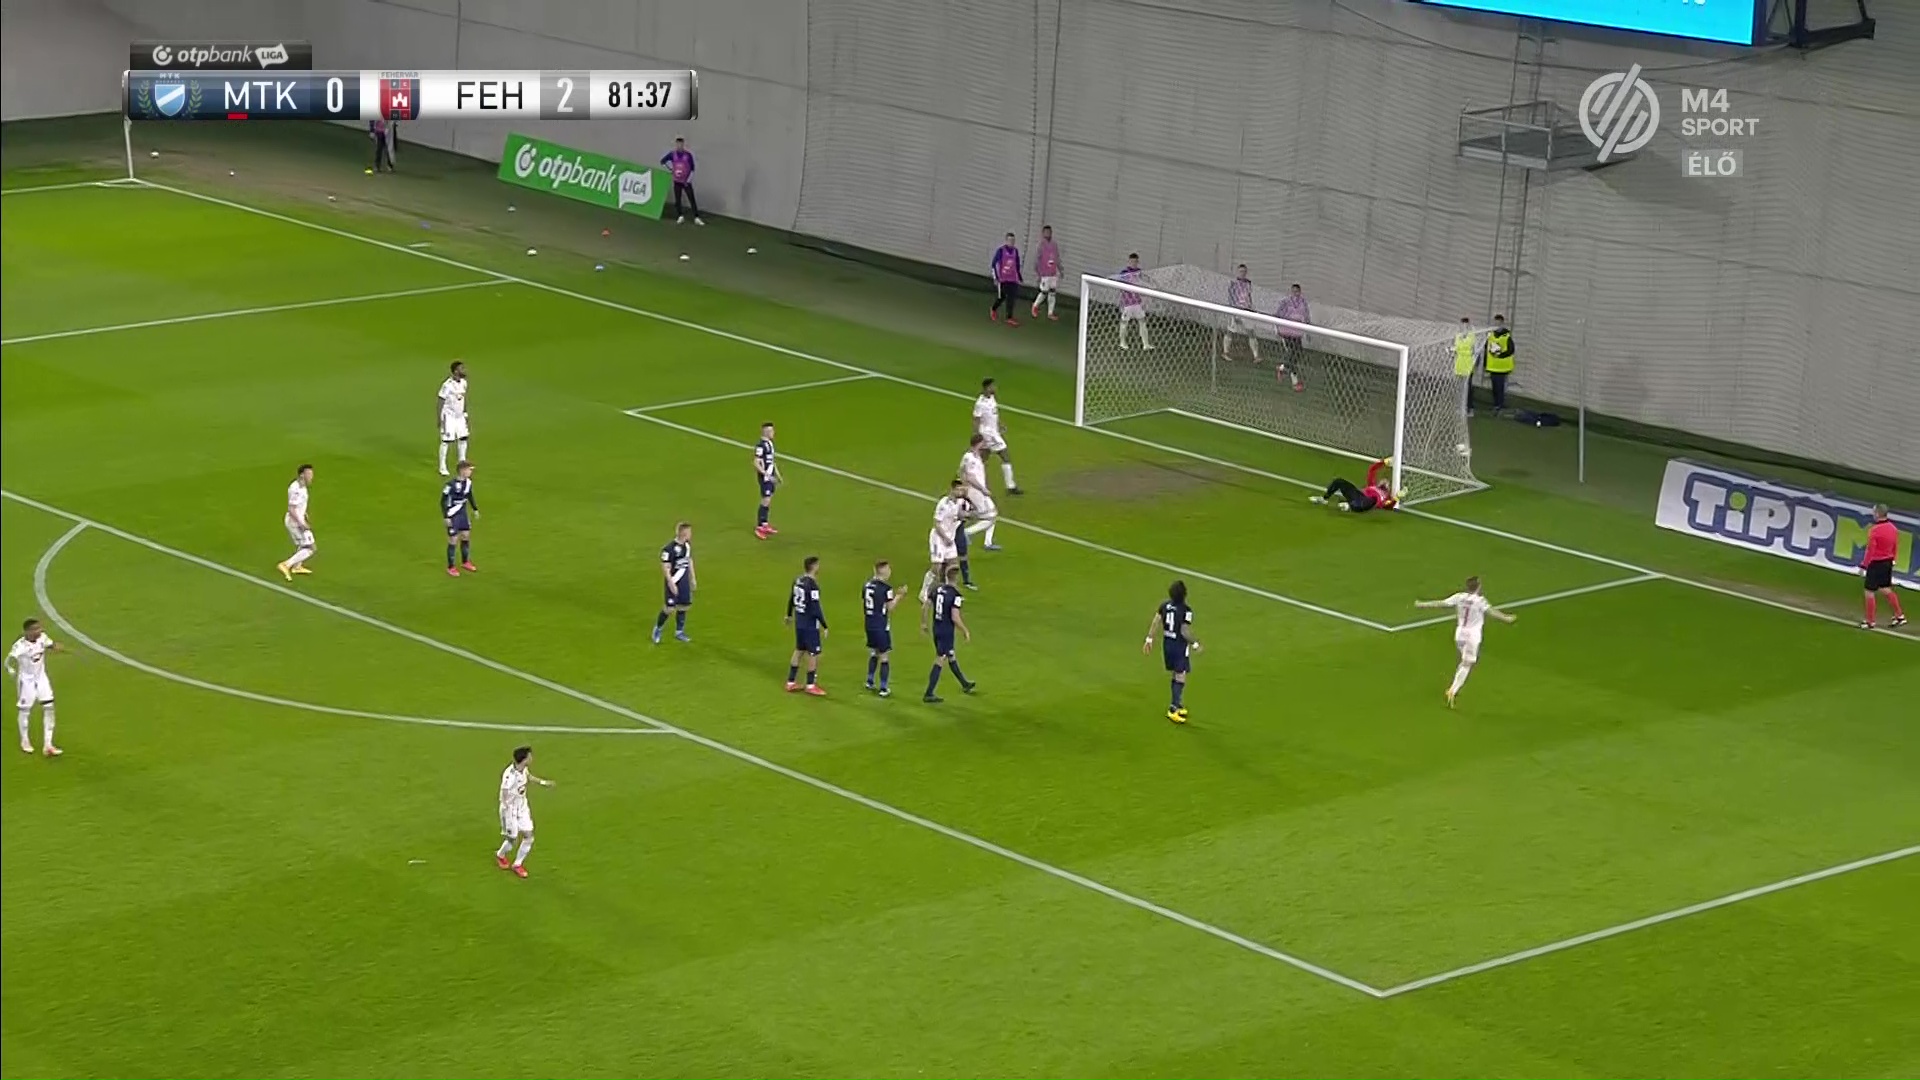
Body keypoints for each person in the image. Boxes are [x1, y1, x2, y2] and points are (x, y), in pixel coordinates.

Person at [1414, 576, 1516, 707]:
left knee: (1464, 662)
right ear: (1478, 587)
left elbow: (1441, 603)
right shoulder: (1480, 601)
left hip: (1459, 634)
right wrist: (1506, 618)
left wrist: (1422, 604)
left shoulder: (1459, 597)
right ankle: (1452, 691)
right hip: (1472, 636)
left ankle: (1454, 686)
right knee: (1467, 664)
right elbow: (1491, 612)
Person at [1143, 580, 1201, 725]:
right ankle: (1173, 708)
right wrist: (1195, 644)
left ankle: (1178, 704)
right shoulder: (1186, 610)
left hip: (1167, 645)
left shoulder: (1164, 606)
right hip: (1179, 646)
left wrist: (1149, 639)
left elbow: (1156, 621)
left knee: (1176, 673)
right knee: (1181, 675)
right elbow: (1184, 631)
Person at [495, 745, 553, 879]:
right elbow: (504, 792)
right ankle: (500, 855)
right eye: (529, 756)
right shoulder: (509, 776)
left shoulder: (523, 769)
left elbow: (529, 777)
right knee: (512, 839)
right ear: (524, 759)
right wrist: (506, 809)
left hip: (522, 807)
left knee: (529, 836)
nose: (532, 758)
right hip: (509, 810)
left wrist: (544, 783)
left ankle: (517, 864)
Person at [7, 618, 62, 757]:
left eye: (39, 628)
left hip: (41, 678)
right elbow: (9, 660)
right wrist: (11, 669)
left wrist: (55, 646)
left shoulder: (42, 637)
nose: (40, 630)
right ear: (28, 631)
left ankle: (48, 745)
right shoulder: (20, 646)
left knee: (49, 707)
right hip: (26, 681)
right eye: (36, 629)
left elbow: (49, 644)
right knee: (25, 711)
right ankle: (25, 741)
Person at [923, 565, 975, 703]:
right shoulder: (955, 595)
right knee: (941, 658)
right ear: (956, 578)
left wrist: (924, 623)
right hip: (946, 631)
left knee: (950, 655)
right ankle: (929, 693)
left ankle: (964, 683)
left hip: (937, 628)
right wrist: (965, 630)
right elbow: (955, 617)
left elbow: (926, 605)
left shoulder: (936, 589)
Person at [785, 555, 828, 695]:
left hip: (799, 622)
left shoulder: (797, 581)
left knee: (799, 650)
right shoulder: (812, 585)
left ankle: (790, 682)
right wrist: (824, 624)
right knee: (813, 653)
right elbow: (815, 607)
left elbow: (791, 598)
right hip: (810, 624)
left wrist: (789, 615)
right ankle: (810, 685)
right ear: (814, 567)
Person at [1861, 504, 1908, 630]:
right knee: (1885, 589)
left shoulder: (1875, 530)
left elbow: (1871, 550)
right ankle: (1899, 616)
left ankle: (1870, 621)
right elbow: (1895, 545)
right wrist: (1894, 559)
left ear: (1877, 514)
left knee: (1869, 592)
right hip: (1887, 562)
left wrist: (1864, 565)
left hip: (1876, 563)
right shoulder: (1893, 528)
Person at [863, 560, 906, 696]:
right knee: (884, 655)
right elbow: (890, 607)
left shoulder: (867, 585)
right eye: (888, 569)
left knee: (874, 652)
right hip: (880, 625)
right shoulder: (886, 588)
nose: (889, 572)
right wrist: (899, 596)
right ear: (882, 571)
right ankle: (883, 688)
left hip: (869, 624)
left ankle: (870, 680)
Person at [972, 377, 1021, 495]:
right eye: (992, 386)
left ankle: (975, 483)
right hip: (988, 435)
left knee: (982, 460)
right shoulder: (980, 403)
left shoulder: (992, 398)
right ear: (987, 388)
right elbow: (976, 419)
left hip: (993, 433)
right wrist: (977, 435)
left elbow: (993, 414)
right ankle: (1010, 486)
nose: (995, 388)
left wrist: (999, 424)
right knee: (1005, 456)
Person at [924, 479, 969, 607]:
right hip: (939, 538)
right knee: (936, 567)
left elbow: (960, 515)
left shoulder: (960, 502)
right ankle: (924, 592)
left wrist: (968, 515)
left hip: (950, 539)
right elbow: (936, 523)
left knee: (953, 566)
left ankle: (951, 593)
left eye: (962, 489)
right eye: (958, 490)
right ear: (952, 490)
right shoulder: (943, 503)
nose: (961, 492)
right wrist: (945, 538)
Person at [654, 522, 696, 644]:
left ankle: (679, 632)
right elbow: (665, 567)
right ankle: (658, 629)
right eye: (689, 532)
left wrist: (692, 578)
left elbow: (689, 561)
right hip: (673, 581)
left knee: (684, 606)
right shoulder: (669, 549)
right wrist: (671, 583)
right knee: (669, 609)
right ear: (684, 533)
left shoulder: (687, 546)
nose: (691, 534)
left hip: (684, 582)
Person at [960, 434, 1002, 553]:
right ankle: (966, 533)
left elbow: (961, 472)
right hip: (975, 491)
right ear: (978, 443)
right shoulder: (969, 458)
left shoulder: (975, 456)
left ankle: (988, 543)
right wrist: (982, 489)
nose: (984, 445)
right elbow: (969, 476)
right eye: (983, 443)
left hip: (978, 490)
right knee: (988, 517)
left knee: (993, 513)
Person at [1309, 457, 1399, 513]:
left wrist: (1396, 498)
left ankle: (1349, 506)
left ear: (1389, 488)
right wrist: (1383, 462)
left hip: (1367, 503)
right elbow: (1372, 470)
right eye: (1384, 480)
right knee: (1339, 481)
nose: (1385, 481)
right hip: (1358, 495)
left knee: (1372, 500)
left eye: (1387, 483)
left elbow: (1389, 506)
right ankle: (1324, 499)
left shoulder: (1385, 497)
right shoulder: (1372, 485)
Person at [277, 464, 317, 581]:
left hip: (298, 520)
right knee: (311, 548)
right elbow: (291, 509)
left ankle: (297, 567)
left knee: (303, 544)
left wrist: (304, 513)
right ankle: (286, 565)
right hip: (295, 523)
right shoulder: (296, 489)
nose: (311, 477)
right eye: (309, 474)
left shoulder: (302, 486)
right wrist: (301, 523)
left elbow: (298, 505)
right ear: (302, 475)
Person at [441, 460, 480, 576]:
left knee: (465, 535)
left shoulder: (468, 483)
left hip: (462, 513)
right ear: (462, 471)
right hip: (452, 514)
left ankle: (465, 561)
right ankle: (451, 567)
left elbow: (470, 495)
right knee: (453, 539)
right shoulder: (450, 485)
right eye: (469, 470)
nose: (470, 472)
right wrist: (446, 516)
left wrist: (475, 509)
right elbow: (443, 501)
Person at [1222, 264, 1265, 366]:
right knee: (1230, 331)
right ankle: (1225, 352)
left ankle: (1256, 356)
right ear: (1238, 272)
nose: (1243, 273)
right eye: (1241, 271)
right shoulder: (1234, 283)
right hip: (1236, 310)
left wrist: (1251, 308)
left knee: (1251, 332)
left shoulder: (1248, 284)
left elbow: (1249, 297)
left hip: (1246, 310)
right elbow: (1231, 298)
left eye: (1244, 272)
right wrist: (1234, 311)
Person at [1273, 283, 1308, 391]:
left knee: (1296, 354)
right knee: (1292, 352)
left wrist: (1307, 329)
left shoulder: (1303, 302)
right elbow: (1278, 313)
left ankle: (1282, 367)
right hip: (1287, 331)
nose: (1295, 293)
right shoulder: (1286, 302)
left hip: (1297, 332)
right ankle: (1295, 382)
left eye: (1297, 291)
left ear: (1300, 292)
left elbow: (1306, 315)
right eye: (1293, 291)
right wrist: (1277, 327)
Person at [437, 360, 470, 476]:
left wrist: (465, 413)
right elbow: (440, 401)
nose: (464, 370)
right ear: (455, 371)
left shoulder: (464, 383)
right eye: (462, 369)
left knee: (463, 438)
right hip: (449, 416)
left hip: (460, 416)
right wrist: (439, 418)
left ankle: (462, 462)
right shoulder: (447, 385)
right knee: (446, 441)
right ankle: (442, 466)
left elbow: (463, 399)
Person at [660, 137, 703, 225]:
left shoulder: (688, 155)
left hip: (686, 182)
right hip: (677, 181)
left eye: (681, 144)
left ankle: (696, 217)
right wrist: (670, 169)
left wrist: (688, 180)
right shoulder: (672, 154)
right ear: (676, 144)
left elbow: (692, 169)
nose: (679, 146)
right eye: (678, 144)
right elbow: (662, 161)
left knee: (691, 199)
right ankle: (680, 216)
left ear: (683, 144)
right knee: (678, 200)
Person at [1115, 254, 1152, 350]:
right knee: (1124, 322)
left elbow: (1143, 285)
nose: (1133, 263)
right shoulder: (1124, 273)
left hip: (1137, 303)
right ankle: (1122, 342)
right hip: (1128, 303)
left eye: (1135, 262)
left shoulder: (1139, 273)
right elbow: (1121, 287)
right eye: (1132, 261)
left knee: (1142, 321)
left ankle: (1146, 344)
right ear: (1129, 262)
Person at [753, 421, 781, 540]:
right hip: (765, 477)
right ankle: (759, 527)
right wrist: (766, 474)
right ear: (766, 432)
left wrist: (777, 474)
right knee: (766, 499)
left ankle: (764, 523)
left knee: (768, 500)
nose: (773, 432)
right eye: (771, 430)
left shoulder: (770, 444)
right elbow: (756, 462)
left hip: (770, 476)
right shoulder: (761, 446)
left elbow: (772, 461)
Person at [989, 233, 1023, 325]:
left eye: (1013, 241)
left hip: (1013, 279)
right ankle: (993, 308)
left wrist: (1019, 276)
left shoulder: (1015, 251)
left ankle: (1009, 317)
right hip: (1003, 279)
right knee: (1002, 297)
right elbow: (994, 264)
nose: (1011, 242)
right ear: (1006, 241)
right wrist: (996, 277)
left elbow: (1017, 264)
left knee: (1011, 297)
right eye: (1010, 240)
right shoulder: (1001, 251)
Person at [1030, 225, 1062, 321]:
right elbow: (1037, 259)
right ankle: (1035, 305)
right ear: (1043, 233)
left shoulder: (1054, 245)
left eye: (1049, 232)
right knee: (1044, 292)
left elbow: (1057, 258)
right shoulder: (1041, 245)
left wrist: (1060, 269)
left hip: (1053, 272)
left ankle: (1050, 313)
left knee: (1052, 292)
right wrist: (1038, 272)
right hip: (1045, 273)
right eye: (1046, 232)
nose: (1048, 234)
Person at [1485, 314, 1515, 414]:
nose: (1496, 325)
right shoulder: (1490, 335)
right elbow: (1487, 348)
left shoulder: (1506, 336)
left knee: (1500, 387)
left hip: (1502, 367)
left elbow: (1511, 350)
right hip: (1493, 366)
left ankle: (1500, 405)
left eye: (1498, 323)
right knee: (1494, 387)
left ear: (1502, 324)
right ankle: (1496, 404)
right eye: (1495, 323)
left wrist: (1500, 355)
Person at [1454, 317, 1481, 416]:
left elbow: (1476, 351)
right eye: (1462, 324)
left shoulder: (1472, 336)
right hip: (1459, 364)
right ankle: (1460, 407)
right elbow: (1456, 348)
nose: (1464, 326)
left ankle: (1470, 408)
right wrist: (1451, 350)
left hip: (1468, 364)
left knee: (1468, 387)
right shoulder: (1458, 336)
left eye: (1466, 324)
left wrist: (1475, 362)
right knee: (1460, 387)